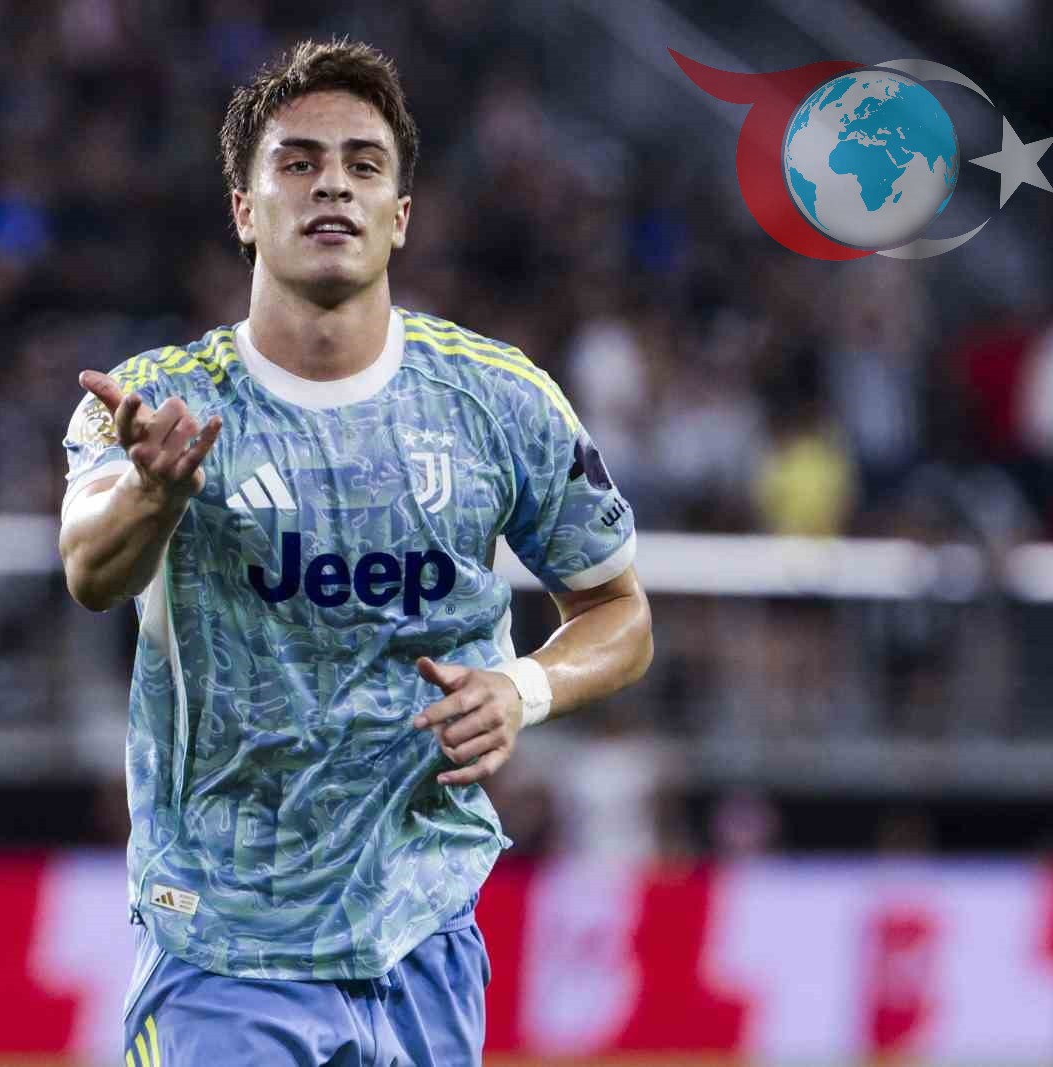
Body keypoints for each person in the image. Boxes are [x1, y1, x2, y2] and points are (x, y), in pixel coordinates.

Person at [59, 38, 652, 1066]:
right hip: (221, 946)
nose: (331, 182)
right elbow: (88, 570)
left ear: (400, 214)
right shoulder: (159, 399)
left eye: (362, 164)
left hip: (424, 935)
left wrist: (522, 688)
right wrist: (155, 493)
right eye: (297, 162)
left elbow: (620, 613)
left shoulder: (498, 400)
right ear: (245, 210)